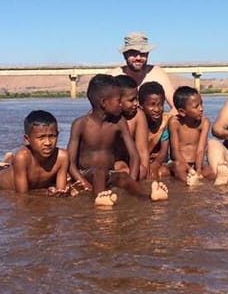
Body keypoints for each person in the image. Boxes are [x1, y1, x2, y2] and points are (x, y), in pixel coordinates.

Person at [67, 74, 169, 206]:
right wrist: (85, 185)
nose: (121, 104)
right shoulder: (80, 124)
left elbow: (135, 157)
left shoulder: (119, 123)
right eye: (118, 100)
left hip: (109, 173)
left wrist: (131, 181)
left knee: (122, 177)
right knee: (99, 172)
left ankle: (148, 196)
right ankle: (99, 199)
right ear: (104, 102)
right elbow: (70, 163)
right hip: (87, 173)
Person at [109, 31, 176, 110]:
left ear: (148, 54)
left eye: (142, 53)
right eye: (133, 53)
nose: (138, 58)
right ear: (125, 55)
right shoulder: (113, 77)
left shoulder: (158, 74)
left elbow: (176, 107)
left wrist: (167, 117)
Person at [168, 86, 212, 185]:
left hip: (196, 164)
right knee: (178, 168)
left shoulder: (204, 122)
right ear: (182, 112)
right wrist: (189, 169)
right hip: (179, 162)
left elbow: (201, 150)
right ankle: (192, 183)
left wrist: (198, 170)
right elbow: (175, 152)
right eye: (196, 106)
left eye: (201, 104)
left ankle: (220, 182)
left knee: (209, 170)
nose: (201, 109)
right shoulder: (174, 122)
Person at [112, 74, 149, 179]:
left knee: (141, 170)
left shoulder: (138, 116)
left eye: (136, 98)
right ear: (118, 100)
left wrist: (146, 180)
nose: (136, 103)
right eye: (131, 100)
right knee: (122, 168)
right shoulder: (98, 116)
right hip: (108, 166)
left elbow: (142, 151)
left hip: (130, 164)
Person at [139, 81, 172, 180]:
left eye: (160, 104)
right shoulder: (135, 120)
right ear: (141, 105)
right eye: (152, 105)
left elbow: (163, 152)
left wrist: (154, 166)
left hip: (157, 161)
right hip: (139, 161)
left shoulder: (165, 122)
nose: (157, 109)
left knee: (163, 172)